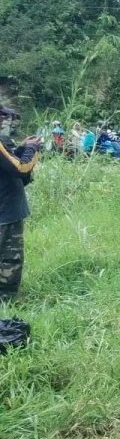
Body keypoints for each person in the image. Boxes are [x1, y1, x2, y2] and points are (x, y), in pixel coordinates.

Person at [0, 105, 40, 301]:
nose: (4, 121)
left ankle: (5, 301)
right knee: (9, 258)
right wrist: (32, 149)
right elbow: (21, 168)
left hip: (6, 209)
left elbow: (6, 162)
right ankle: (6, 299)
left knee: (7, 258)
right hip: (5, 211)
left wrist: (21, 148)